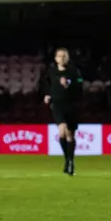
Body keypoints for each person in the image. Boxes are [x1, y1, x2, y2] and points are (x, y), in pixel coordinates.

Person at [43, 48, 83, 176]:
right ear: (55, 59)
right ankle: (68, 161)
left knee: (70, 135)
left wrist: (70, 84)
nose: (62, 58)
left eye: (64, 56)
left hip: (71, 105)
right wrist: (47, 94)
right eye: (59, 56)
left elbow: (80, 84)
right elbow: (45, 84)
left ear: (67, 58)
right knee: (62, 131)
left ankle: (69, 161)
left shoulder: (73, 72)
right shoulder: (51, 72)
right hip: (57, 105)